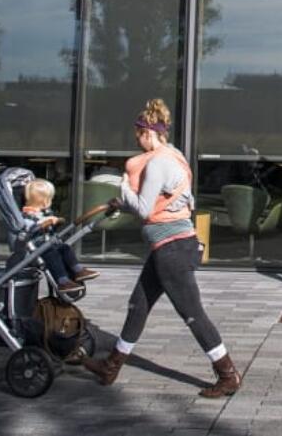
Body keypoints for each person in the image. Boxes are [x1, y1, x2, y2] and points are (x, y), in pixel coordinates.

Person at [84, 99, 241, 398]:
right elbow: (158, 207)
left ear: (146, 132)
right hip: (167, 247)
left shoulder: (156, 163)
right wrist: (125, 204)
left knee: (192, 314)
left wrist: (124, 189)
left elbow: (143, 208)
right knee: (138, 305)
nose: (136, 140)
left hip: (173, 250)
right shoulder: (174, 156)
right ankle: (111, 366)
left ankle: (227, 374)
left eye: (137, 134)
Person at [22, 178, 100, 292]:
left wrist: (55, 221)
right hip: (36, 248)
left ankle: (78, 270)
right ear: (44, 201)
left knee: (65, 248)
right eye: (50, 199)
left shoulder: (44, 212)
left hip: (49, 244)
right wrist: (44, 222)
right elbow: (29, 229)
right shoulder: (27, 215)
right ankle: (63, 281)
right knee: (53, 255)